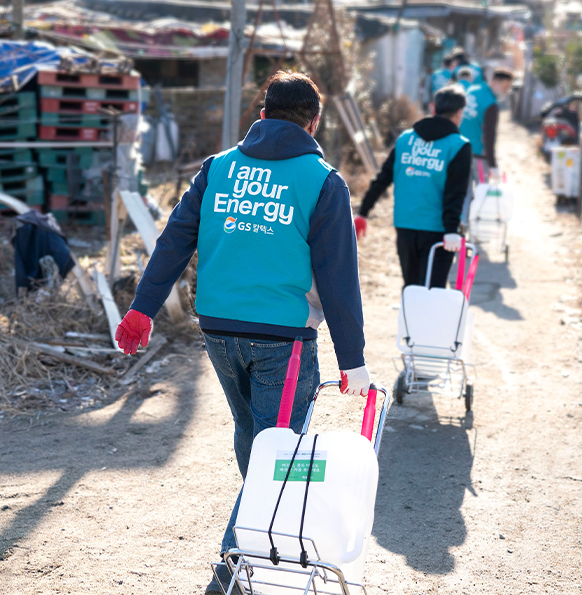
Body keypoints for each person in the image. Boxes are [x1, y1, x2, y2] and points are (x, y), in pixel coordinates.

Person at [112, 71, 371, 595]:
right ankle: (237, 563)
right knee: (277, 453)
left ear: (262, 113)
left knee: (255, 438)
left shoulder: (218, 169)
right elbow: (338, 278)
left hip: (219, 329)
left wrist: (142, 308)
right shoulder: (323, 182)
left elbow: (173, 240)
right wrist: (354, 361)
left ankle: (259, 532)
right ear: (314, 121)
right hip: (282, 339)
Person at [353, 85, 472, 289]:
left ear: (433, 108)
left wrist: (363, 211)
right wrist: (452, 230)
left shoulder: (406, 139)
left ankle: (409, 322)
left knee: (412, 287)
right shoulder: (459, 145)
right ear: (459, 113)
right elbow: (456, 193)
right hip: (439, 231)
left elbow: (382, 178)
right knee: (433, 291)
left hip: (405, 225)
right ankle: (423, 322)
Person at [460, 68, 515, 185]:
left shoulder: (472, 90)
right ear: (495, 82)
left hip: (459, 152)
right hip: (477, 157)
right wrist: (492, 165)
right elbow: (489, 136)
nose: (507, 92)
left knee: (463, 195)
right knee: (482, 196)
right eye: (506, 87)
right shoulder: (490, 105)